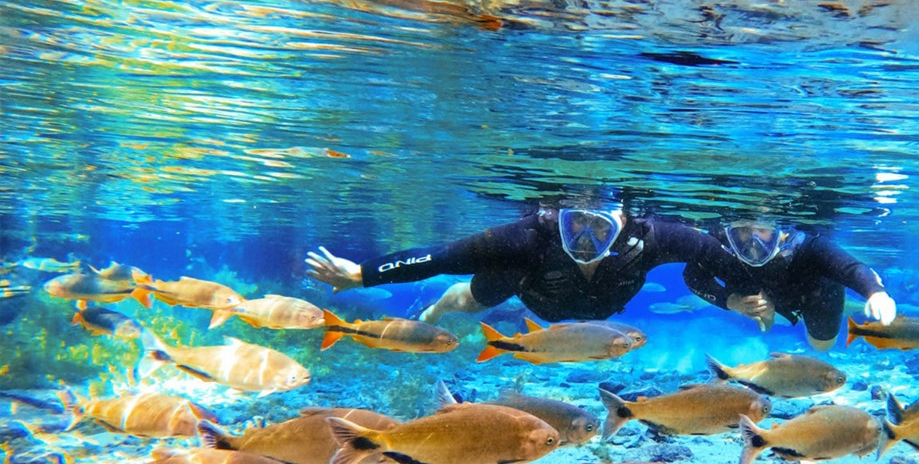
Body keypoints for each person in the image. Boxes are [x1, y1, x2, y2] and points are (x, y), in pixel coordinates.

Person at [305, 200, 737, 324]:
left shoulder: (653, 238)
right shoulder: (528, 238)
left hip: (603, 306)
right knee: (467, 301)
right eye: (575, 224)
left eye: (600, 227)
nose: (586, 240)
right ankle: (436, 309)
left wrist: (733, 298)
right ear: (557, 218)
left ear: (623, 220)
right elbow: (441, 257)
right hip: (533, 291)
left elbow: (716, 258)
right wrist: (363, 275)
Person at [691, 219, 897, 351]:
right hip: (755, 288)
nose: (754, 241)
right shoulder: (718, 244)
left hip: (813, 291)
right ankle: (767, 311)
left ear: (783, 232)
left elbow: (850, 268)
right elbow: (693, 277)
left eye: (763, 229)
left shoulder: (810, 245)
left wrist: (875, 292)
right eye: (743, 230)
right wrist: (731, 301)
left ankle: (827, 310)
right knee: (763, 322)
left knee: (821, 345)